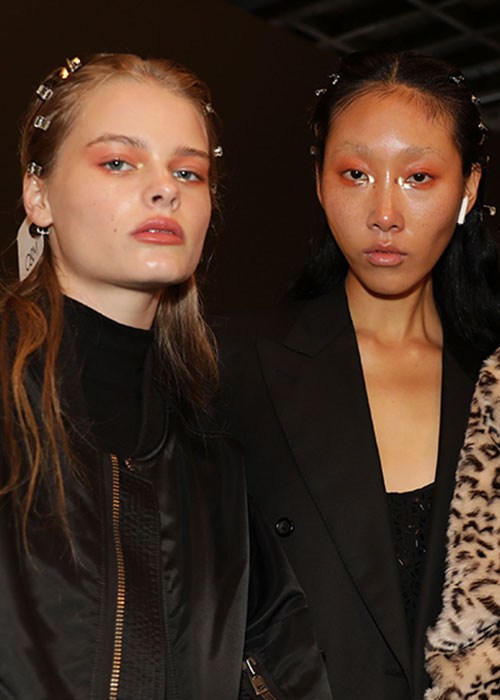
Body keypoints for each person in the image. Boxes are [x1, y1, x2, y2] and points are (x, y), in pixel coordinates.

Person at [0, 53, 332, 700]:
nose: (165, 189)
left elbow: (284, 663)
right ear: (38, 194)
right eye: (118, 162)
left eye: (188, 171)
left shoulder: (212, 462)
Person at [215, 50, 500, 700]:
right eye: (355, 174)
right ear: (319, 181)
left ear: (468, 188)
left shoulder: (492, 380)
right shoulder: (230, 365)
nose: (385, 213)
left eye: (419, 176)